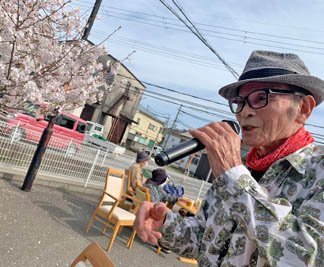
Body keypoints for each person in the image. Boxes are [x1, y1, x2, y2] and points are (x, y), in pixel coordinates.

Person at [134, 50, 324, 266]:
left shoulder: (318, 171)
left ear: (303, 109)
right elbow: (205, 240)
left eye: (261, 98)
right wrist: (165, 223)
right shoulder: (239, 169)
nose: (244, 112)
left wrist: (234, 178)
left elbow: (308, 256)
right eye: (239, 102)